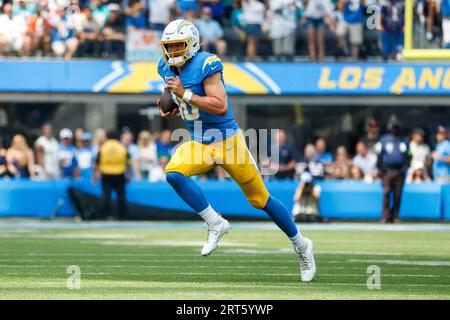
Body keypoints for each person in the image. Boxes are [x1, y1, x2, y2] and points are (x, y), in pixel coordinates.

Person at [157, 19, 315, 282]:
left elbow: (219, 106)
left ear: (192, 44)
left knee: (260, 200)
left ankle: (301, 244)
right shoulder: (165, 66)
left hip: (227, 141)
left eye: (178, 46)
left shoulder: (206, 64)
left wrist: (184, 94)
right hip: (198, 141)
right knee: (173, 174)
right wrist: (169, 102)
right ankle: (215, 222)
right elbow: (172, 99)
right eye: (169, 47)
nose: (173, 53)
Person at [375, 119, 410, 224]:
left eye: (396, 128)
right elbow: (379, 155)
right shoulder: (384, 140)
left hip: (399, 171)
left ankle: (395, 216)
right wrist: (380, 169)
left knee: (397, 195)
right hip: (387, 171)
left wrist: (405, 167)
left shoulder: (404, 140)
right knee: (386, 193)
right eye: (393, 128)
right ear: (390, 129)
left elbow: (409, 154)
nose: (395, 130)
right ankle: (385, 216)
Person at [94, 131, 130, 220]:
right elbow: (129, 161)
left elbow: (97, 162)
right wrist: (128, 174)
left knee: (106, 196)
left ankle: (103, 215)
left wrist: (95, 174)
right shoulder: (122, 147)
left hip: (106, 174)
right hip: (120, 174)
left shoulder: (103, 147)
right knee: (121, 196)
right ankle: (122, 216)